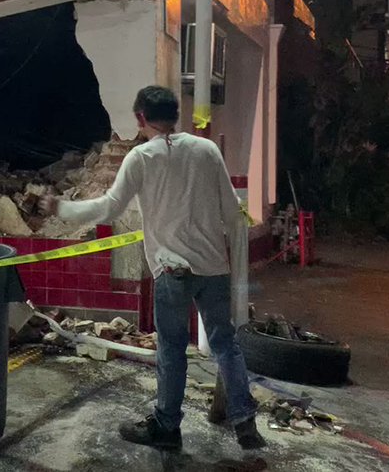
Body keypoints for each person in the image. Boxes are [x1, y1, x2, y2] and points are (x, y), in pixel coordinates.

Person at [41, 86, 265, 452]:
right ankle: (245, 423)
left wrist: (62, 208)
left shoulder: (141, 158)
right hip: (213, 268)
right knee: (226, 344)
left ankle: (166, 427)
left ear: (140, 118)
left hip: (171, 271)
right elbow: (231, 212)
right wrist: (236, 267)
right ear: (175, 114)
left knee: (172, 350)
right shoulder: (207, 150)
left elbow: (109, 209)